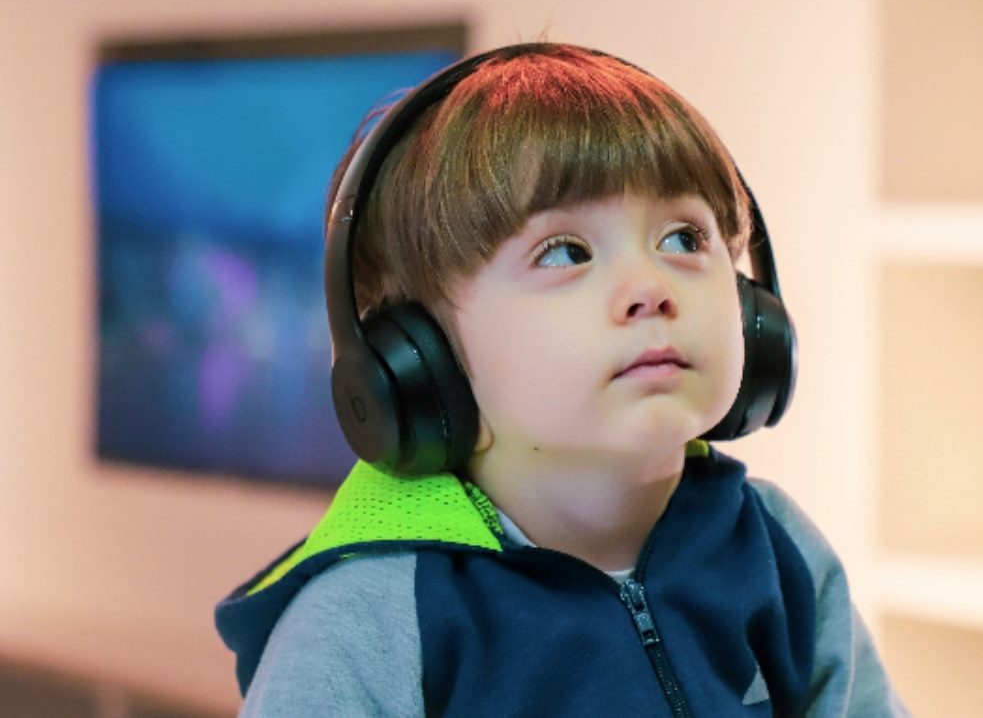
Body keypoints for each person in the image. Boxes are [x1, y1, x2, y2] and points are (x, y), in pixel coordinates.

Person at [215, 43, 908, 716]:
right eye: (565, 252)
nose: (649, 287)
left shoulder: (775, 548)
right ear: (420, 359)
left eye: (684, 239)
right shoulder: (374, 618)